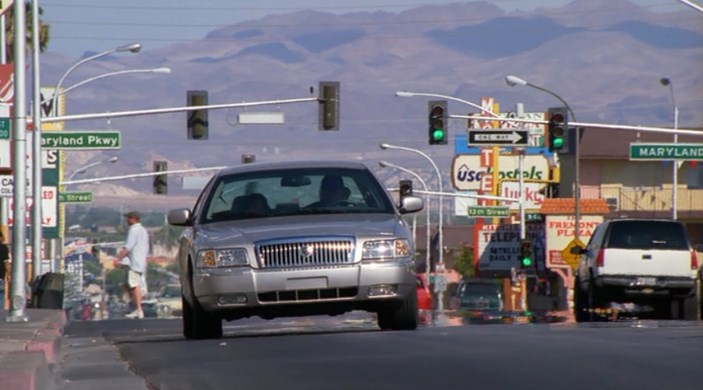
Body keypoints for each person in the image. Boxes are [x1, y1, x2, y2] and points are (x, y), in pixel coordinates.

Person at [115, 211, 150, 319]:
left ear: (134, 219)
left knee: (134, 285)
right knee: (128, 283)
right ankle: (136, 305)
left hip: (135, 262)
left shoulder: (134, 230)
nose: (127, 220)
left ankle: (139, 309)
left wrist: (118, 258)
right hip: (140, 261)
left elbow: (128, 247)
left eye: (129, 218)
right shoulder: (143, 231)